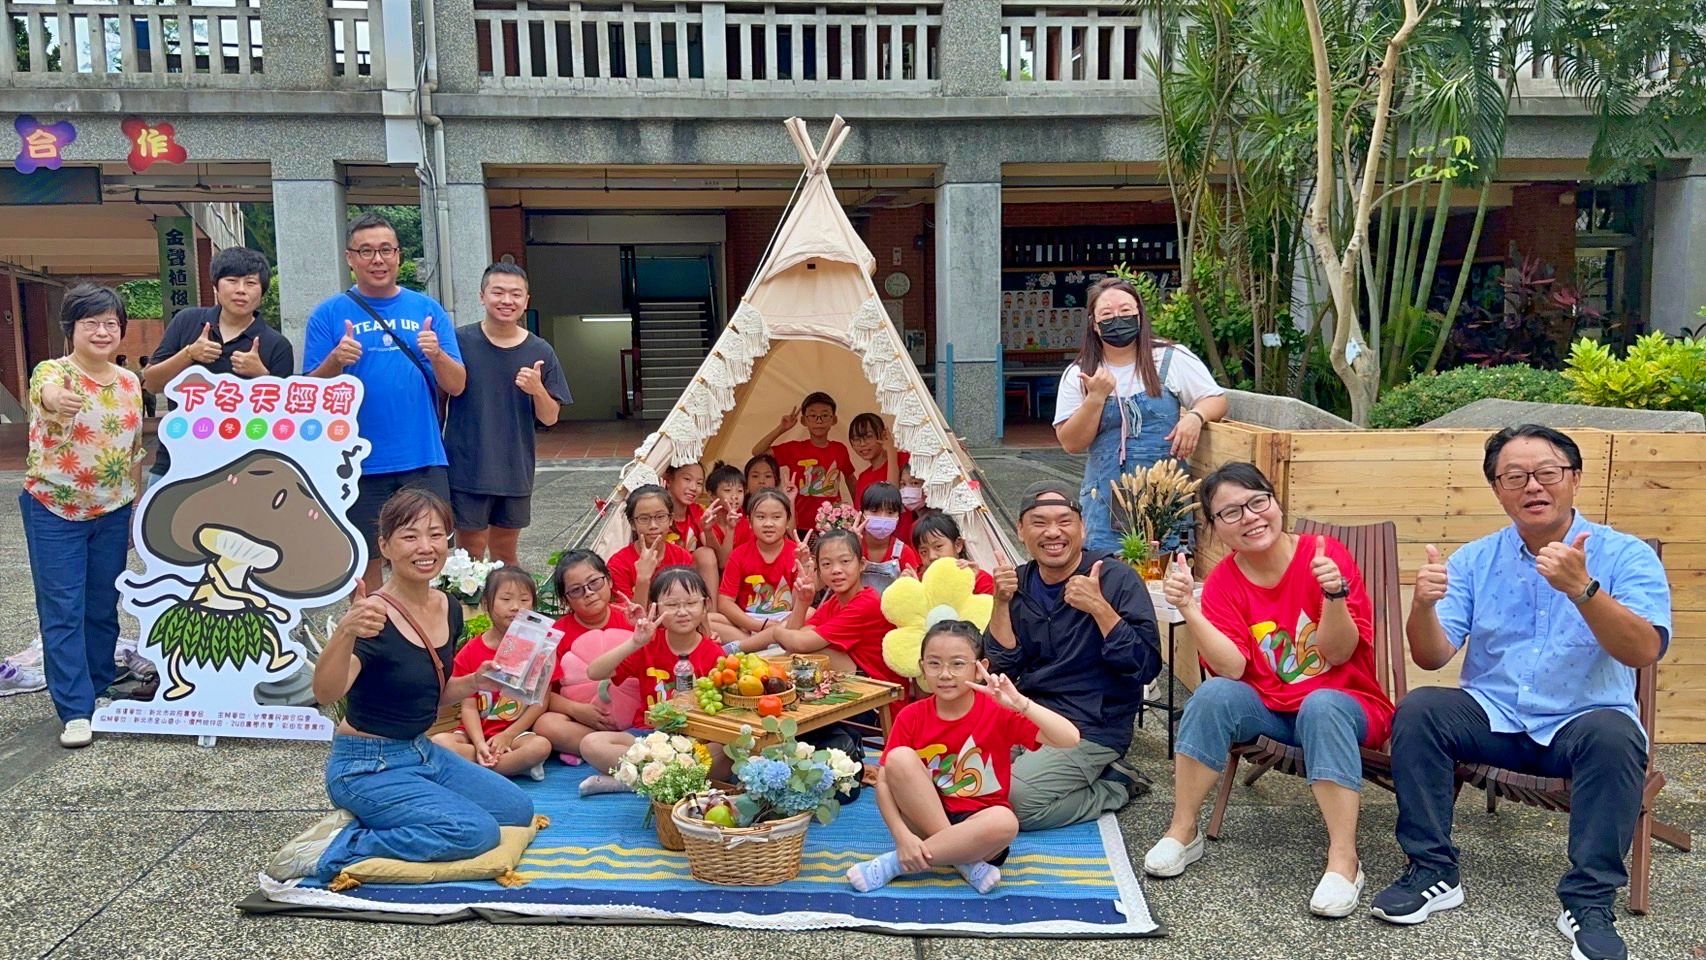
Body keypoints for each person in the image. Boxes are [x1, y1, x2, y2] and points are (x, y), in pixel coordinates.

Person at [1372, 426, 1671, 960]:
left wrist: (1584, 591)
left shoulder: (1625, 556)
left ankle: (1588, 902)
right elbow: (1432, 657)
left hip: (1582, 721)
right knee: (1421, 709)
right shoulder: (1474, 559)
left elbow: (1643, 650)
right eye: (1514, 476)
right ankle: (1433, 871)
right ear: (1497, 489)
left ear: (1574, 479)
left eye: (1547, 472)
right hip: (1495, 717)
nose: (1532, 486)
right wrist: (1420, 606)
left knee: (1616, 735)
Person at [1146, 462, 1393, 918]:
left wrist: (1333, 595)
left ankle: (1344, 859)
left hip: (1347, 707)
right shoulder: (1222, 581)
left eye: (1257, 502)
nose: (1250, 517)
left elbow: (1338, 655)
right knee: (1214, 695)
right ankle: (1183, 830)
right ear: (1216, 528)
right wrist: (1188, 607)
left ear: (1276, 503)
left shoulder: (1324, 554)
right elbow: (1232, 666)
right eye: (1231, 512)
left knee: (1320, 704)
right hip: (1274, 713)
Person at [307, 489, 532, 881]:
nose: (425, 547)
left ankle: (404, 811)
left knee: (516, 810)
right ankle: (344, 844)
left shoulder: (448, 606)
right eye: (410, 536)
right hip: (366, 765)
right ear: (385, 545)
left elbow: (432, 692)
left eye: (435, 534)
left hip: (420, 750)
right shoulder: (372, 617)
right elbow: (326, 693)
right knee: (474, 832)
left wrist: (476, 682)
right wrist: (345, 631)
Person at [849, 620, 1081, 895]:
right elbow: (885, 782)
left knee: (1005, 822)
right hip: (924, 817)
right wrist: (902, 837)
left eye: (958, 664)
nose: (945, 674)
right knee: (898, 758)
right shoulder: (911, 716)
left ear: (979, 668)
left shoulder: (998, 711)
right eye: (934, 664)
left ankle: (896, 864)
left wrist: (1020, 703)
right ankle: (964, 863)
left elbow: (1070, 738)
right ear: (922, 667)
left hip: (979, 829)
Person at [303, 212, 466, 591]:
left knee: (429, 553)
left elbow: (457, 385)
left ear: (398, 255)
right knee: (364, 559)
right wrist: (335, 361)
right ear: (350, 258)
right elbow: (309, 392)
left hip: (422, 457)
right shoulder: (328, 314)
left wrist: (437, 354)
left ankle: (429, 636)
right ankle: (371, 639)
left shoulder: (427, 309)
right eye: (366, 251)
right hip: (355, 460)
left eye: (385, 250)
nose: (377, 259)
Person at [986, 480, 1162, 830]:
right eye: (1039, 522)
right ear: (1020, 531)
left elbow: (1144, 666)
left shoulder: (1116, 579)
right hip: (1029, 713)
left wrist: (1100, 608)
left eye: (1064, 521)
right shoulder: (1018, 582)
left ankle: (1115, 785)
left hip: (1092, 726)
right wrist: (1000, 603)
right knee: (963, 779)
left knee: (1015, 803)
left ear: (1082, 527)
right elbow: (1001, 667)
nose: (1053, 532)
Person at [21, 284, 145, 748]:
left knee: (100, 606)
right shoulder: (53, 372)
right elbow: (46, 393)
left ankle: (97, 684)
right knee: (62, 609)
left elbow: (135, 450)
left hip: (112, 510)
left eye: (111, 323)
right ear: (71, 328)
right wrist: (57, 399)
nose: (101, 331)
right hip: (55, 508)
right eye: (90, 322)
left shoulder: (130, 382)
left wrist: (135, 504)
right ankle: (75, 709)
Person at [1052, 277, 1227, 553]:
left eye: (1125, 311)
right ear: (1094, 325)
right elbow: (1071, 442)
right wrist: (1096, 397)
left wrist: (1196, 416)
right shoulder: (1080, 373)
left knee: (1165, 576)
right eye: (1107, 315)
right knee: (1107, 576)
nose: (1117, 319)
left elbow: (1215, 399)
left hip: (1165, 497)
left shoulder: (1171, 358)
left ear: (1140, 315)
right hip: (1105, 500)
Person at [444, 263, 570, 566]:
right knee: (469, 554)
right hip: (467, 465)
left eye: (515, 294)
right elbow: (440, 396)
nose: (506, 300)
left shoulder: (540, 350)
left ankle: (508, 612)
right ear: (482, 296)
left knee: (505, 553)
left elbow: (551, 417)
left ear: (526, 300)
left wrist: (537, 389)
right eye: (497, 292)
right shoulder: (459, 342)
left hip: (515, 466)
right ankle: (471, 613)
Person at [143, 246, 294, 484]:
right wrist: (189, 354)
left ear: (262, 291)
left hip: (246, 468)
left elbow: (285, 419)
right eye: (232, 281)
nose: (241, 290)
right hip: (176, 459)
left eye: (251, 283)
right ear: (216, 285)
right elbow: (151, 383)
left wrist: (261, 376)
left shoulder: (276, 344)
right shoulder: (187, 321)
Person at [576, 568, 729, 795]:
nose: (682, 612)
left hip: (694, 741)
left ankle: (633, 780)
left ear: (705, 605)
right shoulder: (648, 644)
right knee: (590, 744)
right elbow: (594, 672)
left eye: (690, 603)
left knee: (725, 754)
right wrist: (634, 642)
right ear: (655, 608)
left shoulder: (714, 653)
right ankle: (667, 780)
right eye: (672, 605)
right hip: (647, 738)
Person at [431, 566, 555, 781]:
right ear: (486, 604)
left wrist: (507, 736)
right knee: (439, 742)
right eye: (506, 599)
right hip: (473, 734)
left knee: (540, 746)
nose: (515, 607)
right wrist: (479, 744)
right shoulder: (471, 650)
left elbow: (541, 702)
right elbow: (468, 705)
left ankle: (480, 768)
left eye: (524, 600)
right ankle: (502, 765)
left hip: (516, 735)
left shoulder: (541, 648)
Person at [752, 529, 908, 690]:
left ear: (861, 564)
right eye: (827, 564)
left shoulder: (866, 603)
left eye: (845, 561)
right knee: (797, 656)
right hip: (850, 683)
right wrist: (802, 602)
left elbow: (800, 643)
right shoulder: (835, 601)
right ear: (818, 570)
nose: (836, 570)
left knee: (813, 655)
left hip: (878, 693)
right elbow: (793, 641)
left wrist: (776, 632)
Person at [541, 551, 629, 758]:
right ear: (565, 600)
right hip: (584, 723)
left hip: (634, 717)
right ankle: (607, 749)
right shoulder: (554, 635)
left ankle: (606, 751)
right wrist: (575, 709)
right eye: (576, 590)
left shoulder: (630, 618)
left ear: (609, 580)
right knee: (546, 725)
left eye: (595, 583)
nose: (589, 593)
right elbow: (542, 694)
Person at [753, 391, 856, 536]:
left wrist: (859, 509)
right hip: (798, 523)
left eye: (825, 415)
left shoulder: (839, 449)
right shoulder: (794, 448)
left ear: (834, 420)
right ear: (804, 421)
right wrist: (782, 428)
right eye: (813, 416)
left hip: (832, 523)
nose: (819, 421)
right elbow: (757, 452)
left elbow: (851, 480)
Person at [716, 489, 799, 635]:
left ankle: (751, 644)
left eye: (776, 517)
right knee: (710, 619)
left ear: (787, 520)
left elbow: (799, 604)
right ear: (749, 521)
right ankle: (760, 641)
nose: (768, 524)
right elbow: (724, 602)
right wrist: (758, 626)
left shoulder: (797, 553)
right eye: (760, 517)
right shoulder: (738, 555)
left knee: (811, 613)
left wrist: (805, 567)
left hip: (785, 620)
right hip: (748, 622)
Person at [606, 485, 696, 603]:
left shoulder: (682, 556)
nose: (653, 525)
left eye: (660, 517)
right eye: (644, 518)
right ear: (632, 524)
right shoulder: (618, 564)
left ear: (670, 519)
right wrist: (643, 579)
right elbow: (629, 617)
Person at [911, 511, 995, 595]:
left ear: (958, 545)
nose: (931, 556)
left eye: (938, 546)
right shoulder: (919, 581)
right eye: (924, 552)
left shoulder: (979, 579)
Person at [857, 482, 921, 591]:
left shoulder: (904, 552)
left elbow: (914, 592)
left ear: (898, 518)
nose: (882, 517)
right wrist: (852, 548)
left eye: (890, 512)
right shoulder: (851, 547)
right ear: (862, 515)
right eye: (874, 511)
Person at [849, 413, 908, 510]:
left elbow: (892, 496)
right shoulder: (863, 478)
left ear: (883, 435)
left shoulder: (905, 459)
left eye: (868, 436)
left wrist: (891, 451)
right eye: (856, 439)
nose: (862, 444)